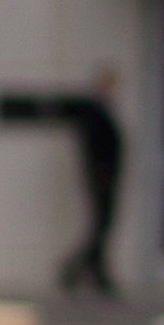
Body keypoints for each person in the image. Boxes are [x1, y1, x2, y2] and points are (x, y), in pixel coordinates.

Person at [58, 68, 124, 295]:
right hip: (101, 178)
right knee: (101, 226)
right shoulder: (93, 111)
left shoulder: (102, 109)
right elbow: (93, 148)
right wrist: (100, 175)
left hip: (106, 177)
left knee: (101, 227)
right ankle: (80, 270)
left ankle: (89, 272)